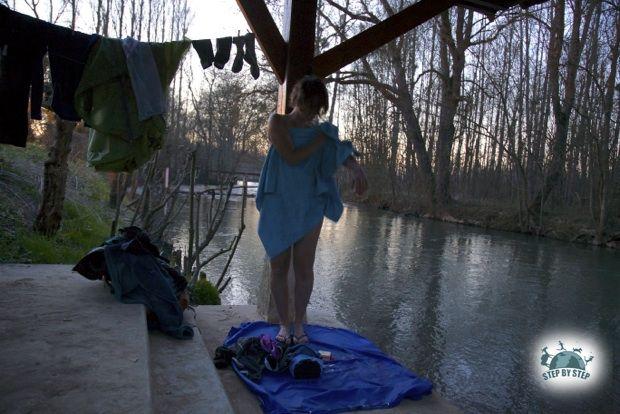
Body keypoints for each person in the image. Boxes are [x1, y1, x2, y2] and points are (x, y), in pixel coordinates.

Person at [256, 75, 368, 345]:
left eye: (317, 108)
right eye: (308, 105)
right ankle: (283, 326)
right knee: (279, 268)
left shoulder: (321, 131)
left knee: (304, 268)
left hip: (309, 204)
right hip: (279, 203)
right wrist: (320, 139)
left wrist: (356, 170)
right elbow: (291, 156)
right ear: (296, 99)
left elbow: (341, 151)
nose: (311, 113)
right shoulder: (277, 122)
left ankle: (298, 326)